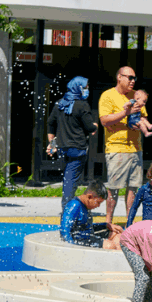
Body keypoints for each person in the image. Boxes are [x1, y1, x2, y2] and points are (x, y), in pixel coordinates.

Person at [99, 65, 146, 224]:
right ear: (119, 77)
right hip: (116, 149)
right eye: (129, 77)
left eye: (134, 78)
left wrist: (144, 125)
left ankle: (129, 222)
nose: (133, 81)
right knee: (114, 188)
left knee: (133, 187)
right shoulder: (108, 96)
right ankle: (109, 222)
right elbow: (104, 120)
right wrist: (125, 113)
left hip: (135, 148)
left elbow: (143, 117)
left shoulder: (136, 95)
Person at [46, 75, 99, 205]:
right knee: (70, 182)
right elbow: (89, 127)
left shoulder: (60, 103)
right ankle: (67, 211)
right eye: (85, 87)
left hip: (62, 149)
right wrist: (95, 126)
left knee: (68, 178)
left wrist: (52, 144)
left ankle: (69, 206)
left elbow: (51, 123)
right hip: (77, 149)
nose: (87, 90)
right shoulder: (82, 105)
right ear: (78, 88)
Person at [60, 180, 121, 250]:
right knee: (109, 246)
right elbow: (64, 230)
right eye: (98, 202)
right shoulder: (74, 205)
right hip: (80, 240)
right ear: (89, 197)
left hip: (89, 237)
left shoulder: (86, 206)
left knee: (118, 236)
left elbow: (88, 228)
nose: (98, 206)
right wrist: (72, 249)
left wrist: (106, 225)